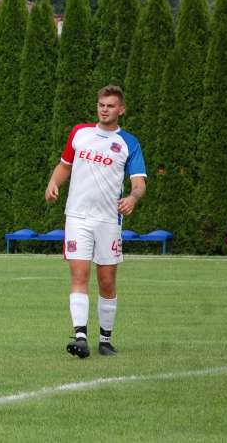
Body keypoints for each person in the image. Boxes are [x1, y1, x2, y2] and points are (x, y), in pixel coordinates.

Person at [44, 85, 146, 359]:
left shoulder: (129, 143)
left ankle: (105, 339)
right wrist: (53, 183)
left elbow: (138, 183)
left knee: (107, 281)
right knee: (79, 275)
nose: (104, 109)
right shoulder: (80, 133)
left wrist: (133, 199)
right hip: (77, 217)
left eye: (111, 105)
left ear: (121, 109)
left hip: (108, 222)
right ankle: (80, 336)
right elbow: (65, 164)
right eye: (101, 104)